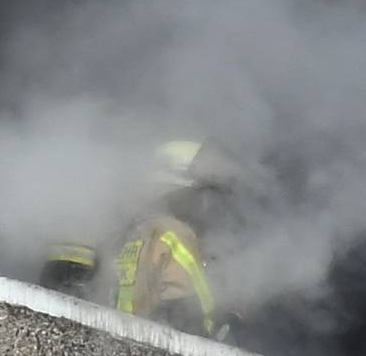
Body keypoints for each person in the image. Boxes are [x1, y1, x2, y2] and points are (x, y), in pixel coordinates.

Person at [43, 139, 238, 339]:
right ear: (185, 189)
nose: (209, 206)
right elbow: (181, 312)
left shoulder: (127, 235)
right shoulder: (172, 234)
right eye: (205, 193)